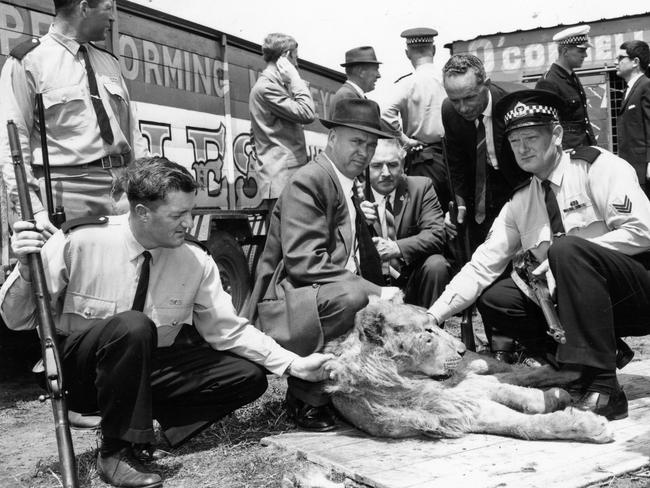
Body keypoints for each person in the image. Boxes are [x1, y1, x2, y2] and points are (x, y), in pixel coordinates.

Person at [0, 157, 333, 488]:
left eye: (190, 211)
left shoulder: (195, 260)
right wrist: (27, 274)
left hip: (144, 370)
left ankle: (140, 426)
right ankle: (116, 452)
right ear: (142, 212)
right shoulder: (80, 240)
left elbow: (228, 329)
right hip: (81, 376)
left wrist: (294, 365)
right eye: (178, 215)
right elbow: (15, 320)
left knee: (246, 376)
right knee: (133, 326)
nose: (189, 222)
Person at [427, 89, 650, 420]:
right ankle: (569, 372)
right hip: (579, 305)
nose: (522, 148)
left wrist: (564, 259)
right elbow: (481, 266)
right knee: (498, 296)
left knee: (566, 249)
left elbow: (643, 230)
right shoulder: (522, 201)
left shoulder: (597, 167)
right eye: (515, 141)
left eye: (531, 137)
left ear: (557, 134)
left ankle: (605, 388)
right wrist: (432, 316)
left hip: (635, 295)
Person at [245, 98, 400, 432]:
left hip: (319, 290)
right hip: (287, 300)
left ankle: (344, 391)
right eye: (356, 141)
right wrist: (375, 290)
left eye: (371, 145)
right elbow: (304, 261)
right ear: (332, 139)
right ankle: (306, 400)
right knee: (352, 298)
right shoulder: (310, 180)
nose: (365, 152)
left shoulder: (344, 181)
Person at [0, 0, 149, 237]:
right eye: (108, 8)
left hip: (122, 189)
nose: (112, 18)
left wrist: (151, 188)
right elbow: (13, 146)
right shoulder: (28, 61)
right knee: (73, 270)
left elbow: (133, 136)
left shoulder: (109, 62)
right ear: (83, 8)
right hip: (66, 194)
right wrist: (34, 211)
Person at [441, 54, 526, 250]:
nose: (463, 108)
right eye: (455, 100)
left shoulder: (515, 103)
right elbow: (456, 163)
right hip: (482, 195)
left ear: (486, 84)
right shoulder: (449, 111)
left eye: (470, 97)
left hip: (521, 185)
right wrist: (459, 202)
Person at [359, 138, 450, 307]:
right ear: (366, 167)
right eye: (377, 166)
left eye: (392, 165)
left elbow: (436, 234)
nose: (385, 172)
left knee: (437, 265)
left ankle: (429, 328)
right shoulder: (355, 196)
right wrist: (357, 220)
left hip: (410, 281)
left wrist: (396, 248)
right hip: (371, 286)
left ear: (402, 165)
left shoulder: (421, 187)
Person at [381, 28, 449, 211]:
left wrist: (403, 138)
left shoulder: (407, 83)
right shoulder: (448, 78)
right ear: (433, 50)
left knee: (427, 214)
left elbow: (386, 113)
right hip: (453, 156)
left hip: (423, 158)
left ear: (407, 53)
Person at [249, 32, 316, 211]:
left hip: (281, 179)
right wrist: (295, 78)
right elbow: (308, 113)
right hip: (283, 180)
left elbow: (253, 135)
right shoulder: (268, 87)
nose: (297, 64)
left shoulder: (270, 86)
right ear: (286, 56)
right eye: (295, 58)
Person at [535, 25, 596, 149]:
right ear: (565, 51)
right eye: (581, 51)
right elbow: (547, 127)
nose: (585, 55)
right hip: (566, 153)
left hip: (583, 147)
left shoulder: (572, 77)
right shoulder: (549, 82)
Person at [615, 40, 650, 197]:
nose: (617, 62)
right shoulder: (629, 90)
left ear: (635, 62)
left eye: (621, 58)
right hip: (633, 168)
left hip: (644, 169)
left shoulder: (646, 86)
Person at [330, 46, 381, 112]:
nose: (379, 75)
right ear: (361, 72)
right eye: (376, 69)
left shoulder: (349, 95)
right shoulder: (347, 96)